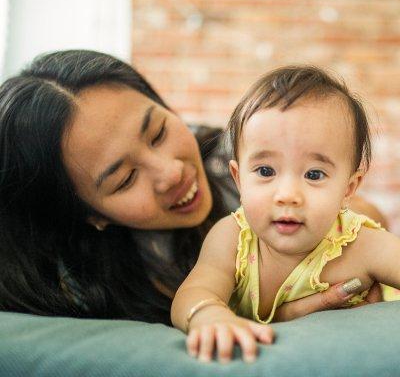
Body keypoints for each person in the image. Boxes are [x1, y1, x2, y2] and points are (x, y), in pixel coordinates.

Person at [0, 51, 384, 326]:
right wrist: (275, 315)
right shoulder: (79, 289)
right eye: (125, 179)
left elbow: (366, 218)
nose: (172, 172)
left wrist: (344, 244)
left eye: (158, 132)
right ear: (92, 214)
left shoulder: (221, 151)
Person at [171, 65, 400, 363]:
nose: (288, 195)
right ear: (239, 179)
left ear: (349, 187)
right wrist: (208, 314)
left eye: (314, 174)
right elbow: (193, 292)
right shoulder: (232, 238)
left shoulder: (360, 245)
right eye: (266, 171)